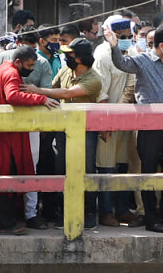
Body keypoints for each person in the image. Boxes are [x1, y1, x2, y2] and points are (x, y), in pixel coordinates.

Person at [106, 23, 163, 232]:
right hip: (149, 126)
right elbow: (121, 64)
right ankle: (151, 218)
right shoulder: (142, 61)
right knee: (148, 171)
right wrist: (114, 46)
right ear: (161, 45)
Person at [0, 45, 57, 234]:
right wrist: (41, 99)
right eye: (29, 65)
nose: (31, 69)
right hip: (7, 137)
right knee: (8, 177)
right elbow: (13, 96)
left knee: (0, 175)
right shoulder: (11, 73)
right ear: (18, 62)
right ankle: (5, 225)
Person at [24, 38, 104, 227]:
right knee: (62, 170)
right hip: (63, 129)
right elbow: (53, 88)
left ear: (80, 58)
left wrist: (36, 90)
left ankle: (89, 213)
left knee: (86, 170)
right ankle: (65, 211)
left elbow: (67, 94)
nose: (66, 57)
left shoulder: (93, 79)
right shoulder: (66, 70)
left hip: (85, 131)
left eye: (70, 54)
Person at [92, 15, 138, 226]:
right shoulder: (103, 53)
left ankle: (121, 209)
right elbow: (101, 90)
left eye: (128, 35)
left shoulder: (132, 50)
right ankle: (105, 211)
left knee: (123, 164)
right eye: (121, 35)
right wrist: (105, 120)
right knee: (106, 165)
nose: (125, 38)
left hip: (126, 116)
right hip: (108, 117)